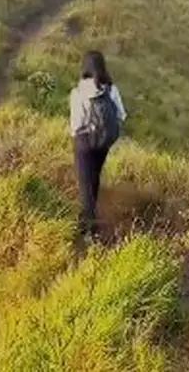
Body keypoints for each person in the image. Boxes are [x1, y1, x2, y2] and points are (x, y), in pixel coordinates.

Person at [70, 50, 127, 240]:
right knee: (93, 178)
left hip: (84, 142)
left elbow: (76, 124)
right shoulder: (111, 89)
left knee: (85, 184)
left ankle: (89, 230)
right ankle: (86, 218)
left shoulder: (78, 92)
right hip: (104, 141)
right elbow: (121, 115)